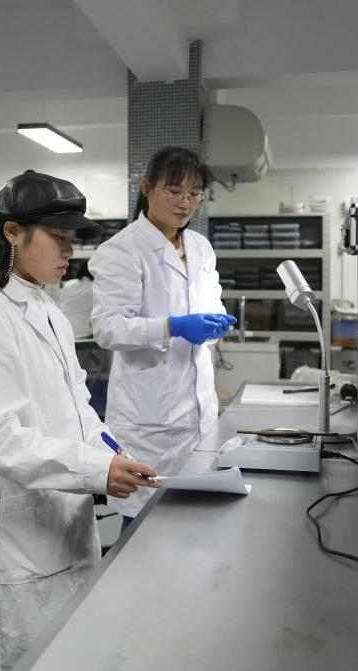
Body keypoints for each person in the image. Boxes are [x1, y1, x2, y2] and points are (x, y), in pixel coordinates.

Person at [0, 170, 160, 671]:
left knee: (69, 650)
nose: (69, 251)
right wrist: (94, 470)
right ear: (12, 232)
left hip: (67, 519)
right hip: (19, 544)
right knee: (23, 657)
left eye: (71, 239)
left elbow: (78, 404)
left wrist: (111, 455)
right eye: (58, 237)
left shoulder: (47, 309)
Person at [89, 147, 234, 528]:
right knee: (142, 526)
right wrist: (172, 326)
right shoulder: (121, 250)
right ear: (147, 188)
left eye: (194, 193)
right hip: (148, 420)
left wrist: (216, 324)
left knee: (195, 522)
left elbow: (210, 301)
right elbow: (107, 328)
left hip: (199, 411)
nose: (185, 203)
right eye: (174, 191)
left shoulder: (200, 246)